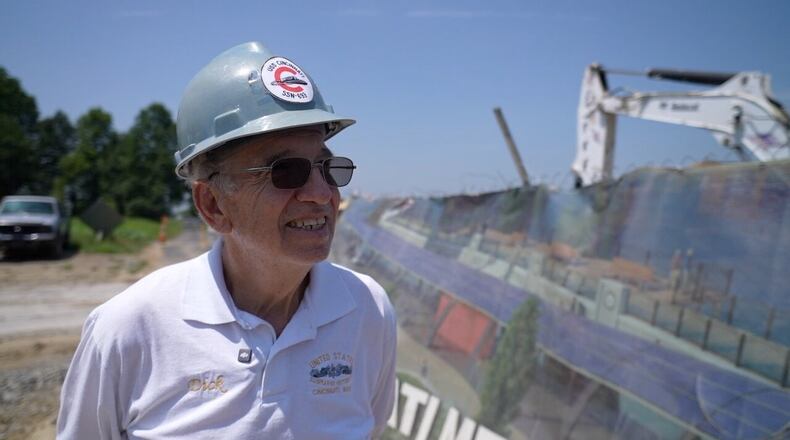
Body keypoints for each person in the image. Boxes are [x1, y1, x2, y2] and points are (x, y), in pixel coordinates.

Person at [56, 42, 397, 439]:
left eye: (327, 167)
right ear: (213, 204)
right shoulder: (129, 329)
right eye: (286, 171)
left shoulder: (368, 311)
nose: (322, 194)